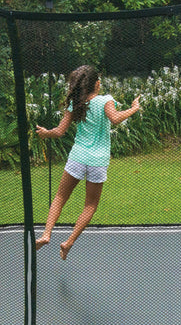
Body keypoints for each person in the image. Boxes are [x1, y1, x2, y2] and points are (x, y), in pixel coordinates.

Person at [35, 65, 140, 260]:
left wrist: (45, 133)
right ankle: (68, 242)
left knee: (59, 197)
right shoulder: (105, 100)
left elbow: (59, 132)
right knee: (90, 205)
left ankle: (46, 234)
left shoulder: (76, 103)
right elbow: (116, 119)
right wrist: (134, 108)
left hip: (78, 157)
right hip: (97, 161)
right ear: (97, 84)